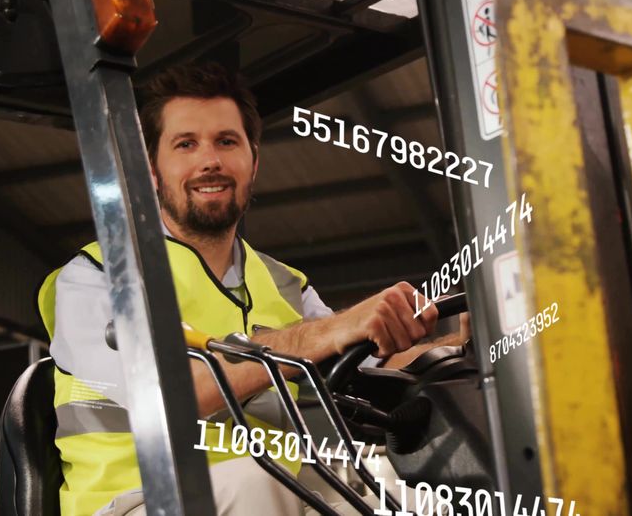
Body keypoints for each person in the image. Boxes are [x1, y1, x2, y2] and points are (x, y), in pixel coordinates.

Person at [37, 62, 468, 516]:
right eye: (186, 144)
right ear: (151, 172)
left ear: (253, 161)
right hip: (133, 503)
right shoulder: (96, 277)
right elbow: (167, 397)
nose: (210, 160)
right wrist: (312, 337)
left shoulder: (282, 283)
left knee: (413, 505)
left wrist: (461, 346)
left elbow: (370, 360)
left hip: (273, 493)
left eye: (227, 141)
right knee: (258, 480)